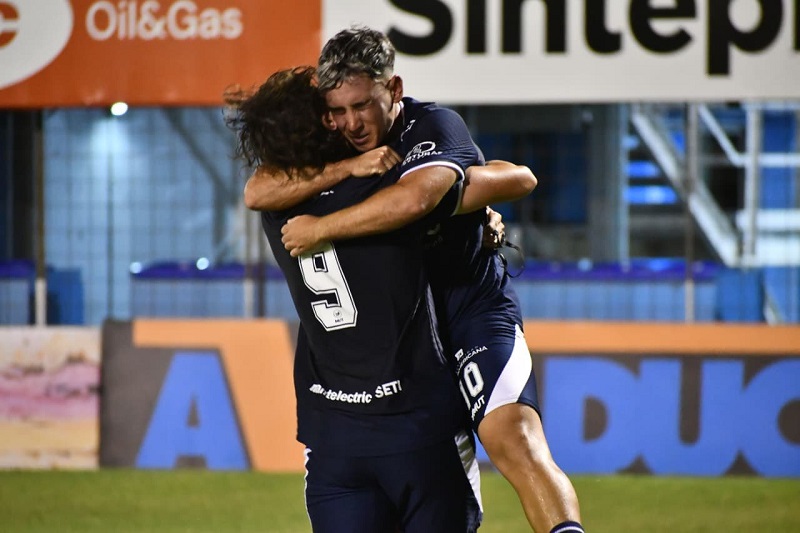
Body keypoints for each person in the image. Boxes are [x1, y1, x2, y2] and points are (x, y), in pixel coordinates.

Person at [247, 27, 586, 533]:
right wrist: (349, 170)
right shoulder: (342, 153)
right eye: (338, 111)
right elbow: (257, 187)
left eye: (362, 105)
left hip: (469, 309)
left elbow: (452, 190)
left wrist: (321, 227)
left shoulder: (432, 126)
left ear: (394, 89)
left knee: (513, 437)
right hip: (407, 333)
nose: (351, 123)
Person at [227, 66, 482, 533]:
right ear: (323, 125)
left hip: (334, 437)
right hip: (418, 424)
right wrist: (483, 214)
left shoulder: (275, 204)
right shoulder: (381, 187)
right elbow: (504, 181)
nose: (344, 122)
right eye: (332, 113)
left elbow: (255, 188)